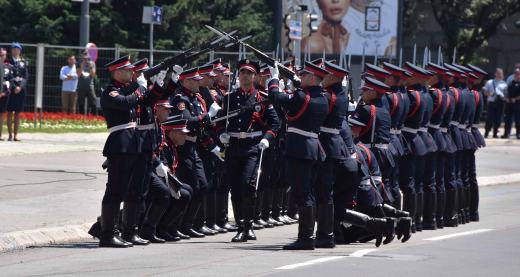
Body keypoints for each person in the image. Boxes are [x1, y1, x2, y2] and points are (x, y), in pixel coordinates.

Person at [98, 55, 162, 248]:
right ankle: (108, 234)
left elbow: (147, 99)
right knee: (115, 190)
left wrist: (159, 83)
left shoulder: (128, 89)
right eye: (127, 70)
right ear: (117, 72)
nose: (132, 73)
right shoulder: (110, 92)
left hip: (132, 143)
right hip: (120, 143)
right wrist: (141, 86)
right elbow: (127, 102)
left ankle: (130, 231)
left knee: (134, 189)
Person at [267, 61, 329, 250]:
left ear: (312, 78)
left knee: (303, 193)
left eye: (304, 76)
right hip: (312, 148)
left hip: (300, 149)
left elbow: (276, 97)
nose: (300, 78)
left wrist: (274, 79)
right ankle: (308, 236)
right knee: (307, 192)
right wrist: (295, 83)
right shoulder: (322, 97)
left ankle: (305, 238)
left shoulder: (303, 97)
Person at [217, 59, 280, 242]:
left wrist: (267, 139)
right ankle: (240, 226)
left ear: (255, 76)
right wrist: (222, 134)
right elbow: (221, 122)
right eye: (243, 72)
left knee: (248, 184)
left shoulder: (262, 98)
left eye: (249, 73)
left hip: (253, 146)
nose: (245, 75)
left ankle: (249, 225)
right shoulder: (229, 98)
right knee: (235, 188)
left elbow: (275, 124)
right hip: (234, 146)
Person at [6, 42, 28, 142]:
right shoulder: (8, 62)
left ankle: (16, 135)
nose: (15, 51)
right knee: (10, 112)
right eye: (14, 49)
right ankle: (10, 135)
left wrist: (20, 87)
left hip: (21, 90)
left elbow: (26, 77)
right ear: (11, 51)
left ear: (20, 51)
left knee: (18, 113)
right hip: (11, 89)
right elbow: (8, 77)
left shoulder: (24, 62)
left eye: (17, 49)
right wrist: (14, 86)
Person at [483, 68, 507, 138]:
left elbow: (506, 94)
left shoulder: (504, 84)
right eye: (498, 73)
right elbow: (485, 92)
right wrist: (490, 94)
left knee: (498, 119)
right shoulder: (490, 82)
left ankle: (495, 133)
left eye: (501, 73)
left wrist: (504, 97)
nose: (500, 75)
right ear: (495, 74)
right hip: (492, 102)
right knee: (490, 118)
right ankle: (486, 132)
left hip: (500, 103)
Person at [0, 48, 14, 141]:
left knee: (1, 115)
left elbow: (11, 81)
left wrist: (4, 92)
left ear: (5, 56)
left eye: (3, 55)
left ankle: (0, 134)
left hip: (4, 94)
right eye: (0, 55)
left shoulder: (8, 67)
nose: (1, 57)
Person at [503, 68, 520, 139]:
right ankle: (506, 134)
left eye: (518, 73)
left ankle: (518, 134)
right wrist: (506, 98)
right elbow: (507, 92)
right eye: (515, 73)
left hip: (518, 104)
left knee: (518, 120)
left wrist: (515, 99)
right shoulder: (511, 83)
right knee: (507, 119)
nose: (516, 75)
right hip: (509, 104)